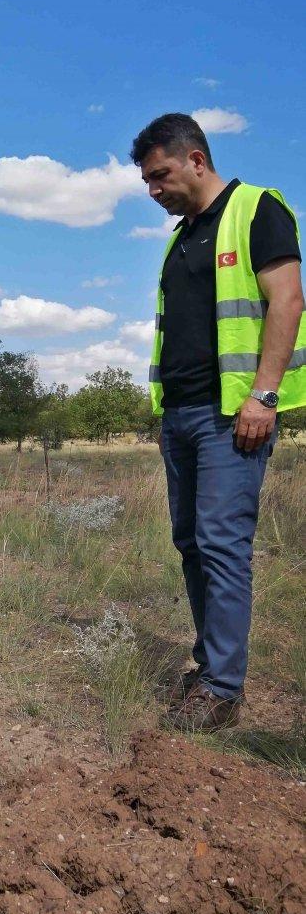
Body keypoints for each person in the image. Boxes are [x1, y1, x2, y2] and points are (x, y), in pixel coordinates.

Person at [131, 113, 305, 733]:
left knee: (222, 545)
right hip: (180, 414)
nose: (153, 189)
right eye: (147, 181)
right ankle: (210, 666)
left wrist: (264, 396)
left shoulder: (257, 210)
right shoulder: (181, 238)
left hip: (232, 415)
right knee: (191, 543)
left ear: (197, 159)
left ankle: (223, 690)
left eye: (160, 175)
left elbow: (288, 300)